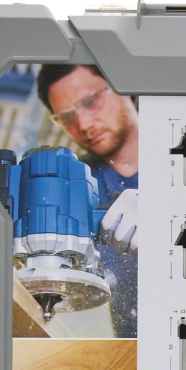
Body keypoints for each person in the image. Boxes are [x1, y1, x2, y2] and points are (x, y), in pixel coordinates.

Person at [37, 64, 139, 338]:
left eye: (91, 102)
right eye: (67, 117)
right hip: (129, 352)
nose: (82, 124)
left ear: (125, 86)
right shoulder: (69, 183)